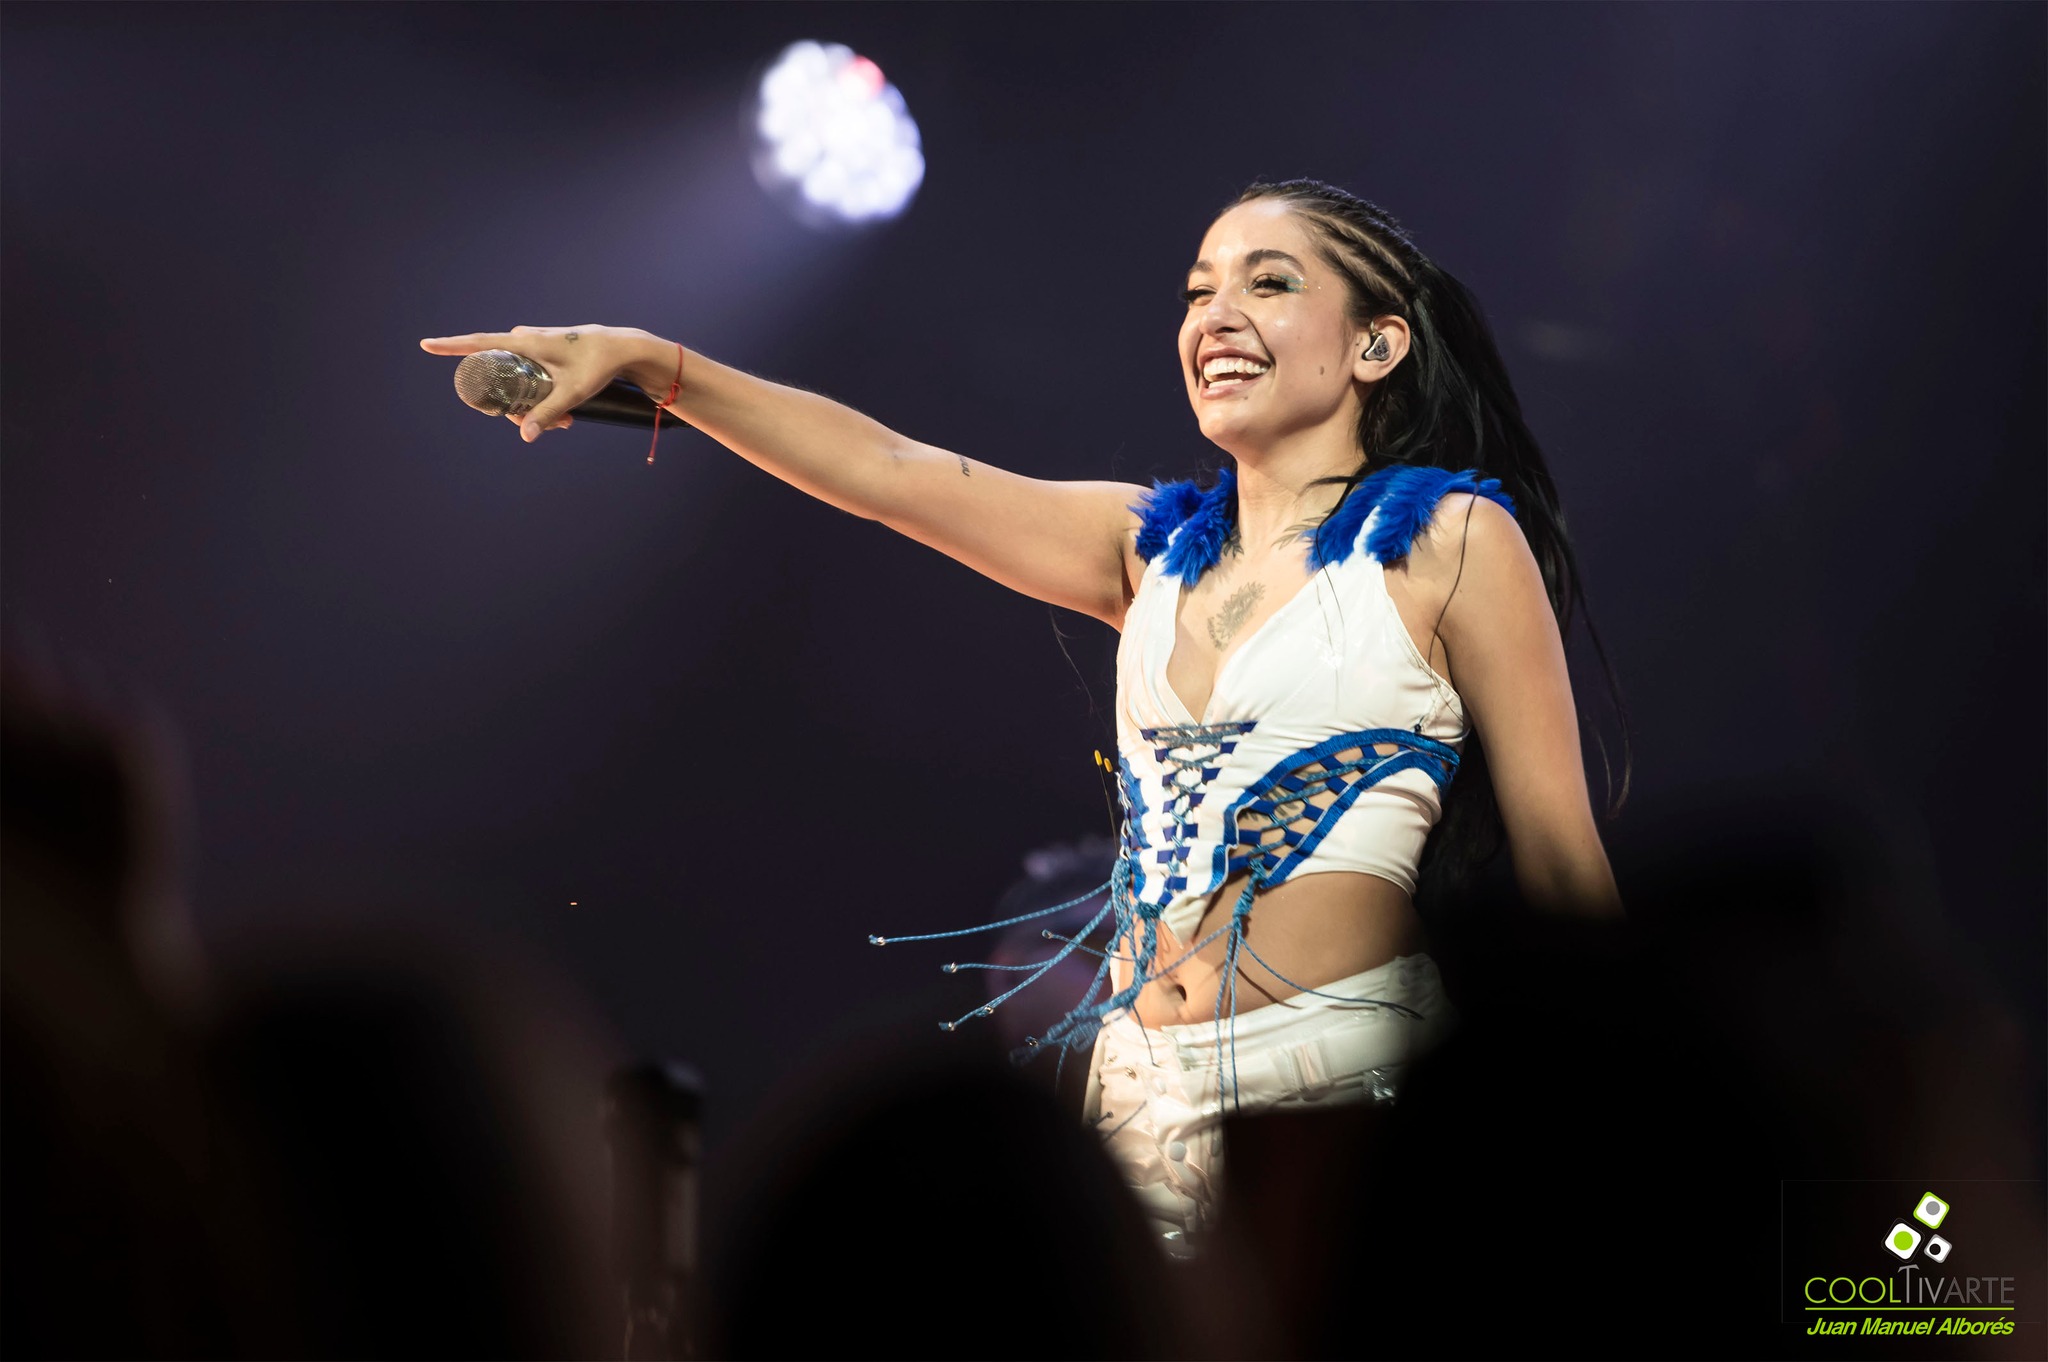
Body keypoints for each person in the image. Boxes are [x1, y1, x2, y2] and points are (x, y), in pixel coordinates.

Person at [421, 177, 1627, 1255]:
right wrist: (655, 361)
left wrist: (1640, 1123)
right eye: (1196, 290)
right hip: (1138, 1096)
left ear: (1376, 345)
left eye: (1268, 283)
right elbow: (886, 472)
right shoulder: (1141, 551)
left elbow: (1563, 860)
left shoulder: (1454, 543)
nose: (1214, 316)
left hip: (1351, 1084)